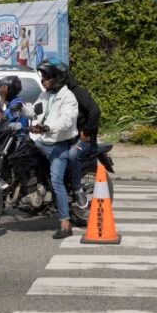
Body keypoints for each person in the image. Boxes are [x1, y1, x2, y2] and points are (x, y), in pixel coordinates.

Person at [30, 60, 79, 239]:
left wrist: (47, 127)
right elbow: (35, 112)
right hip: (43, 141)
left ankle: (65, 224)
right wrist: (21, 109)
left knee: (57, 181)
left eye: (47, 77)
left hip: (59, 145)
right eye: (43, 77)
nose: (44, 81)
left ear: (57, 78)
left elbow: (67, 121)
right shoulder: (46, 95)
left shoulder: (68, 97)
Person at [60, 65, 101, 209]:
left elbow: (95, 111)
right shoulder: (58, 95)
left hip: (84, 138)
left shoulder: (78, 93)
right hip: (68, 137)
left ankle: (77, 189)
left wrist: (86, 131)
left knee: (72, 155)